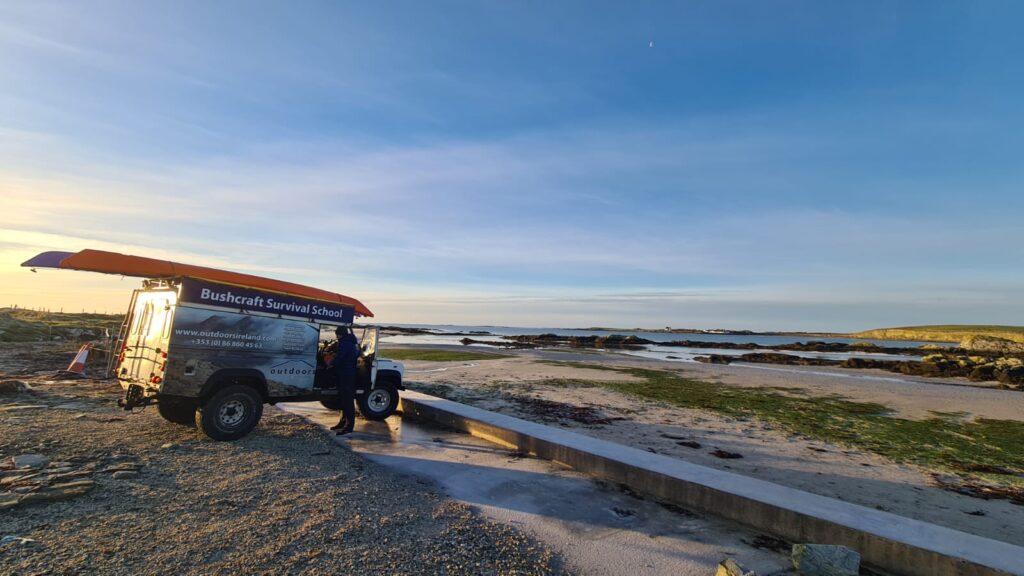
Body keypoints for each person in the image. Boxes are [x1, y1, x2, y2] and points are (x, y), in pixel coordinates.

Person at [329, 326, 360, 435]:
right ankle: (343, 422)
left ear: (340, 334)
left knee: (347, 400)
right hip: (348, 373)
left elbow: (340, 358)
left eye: (337, 334)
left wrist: (331, 363)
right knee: (344, 400)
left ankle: (349, 426)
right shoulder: (351, 342)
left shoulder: (345, 343)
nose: (336, 336)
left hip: (346, 374)